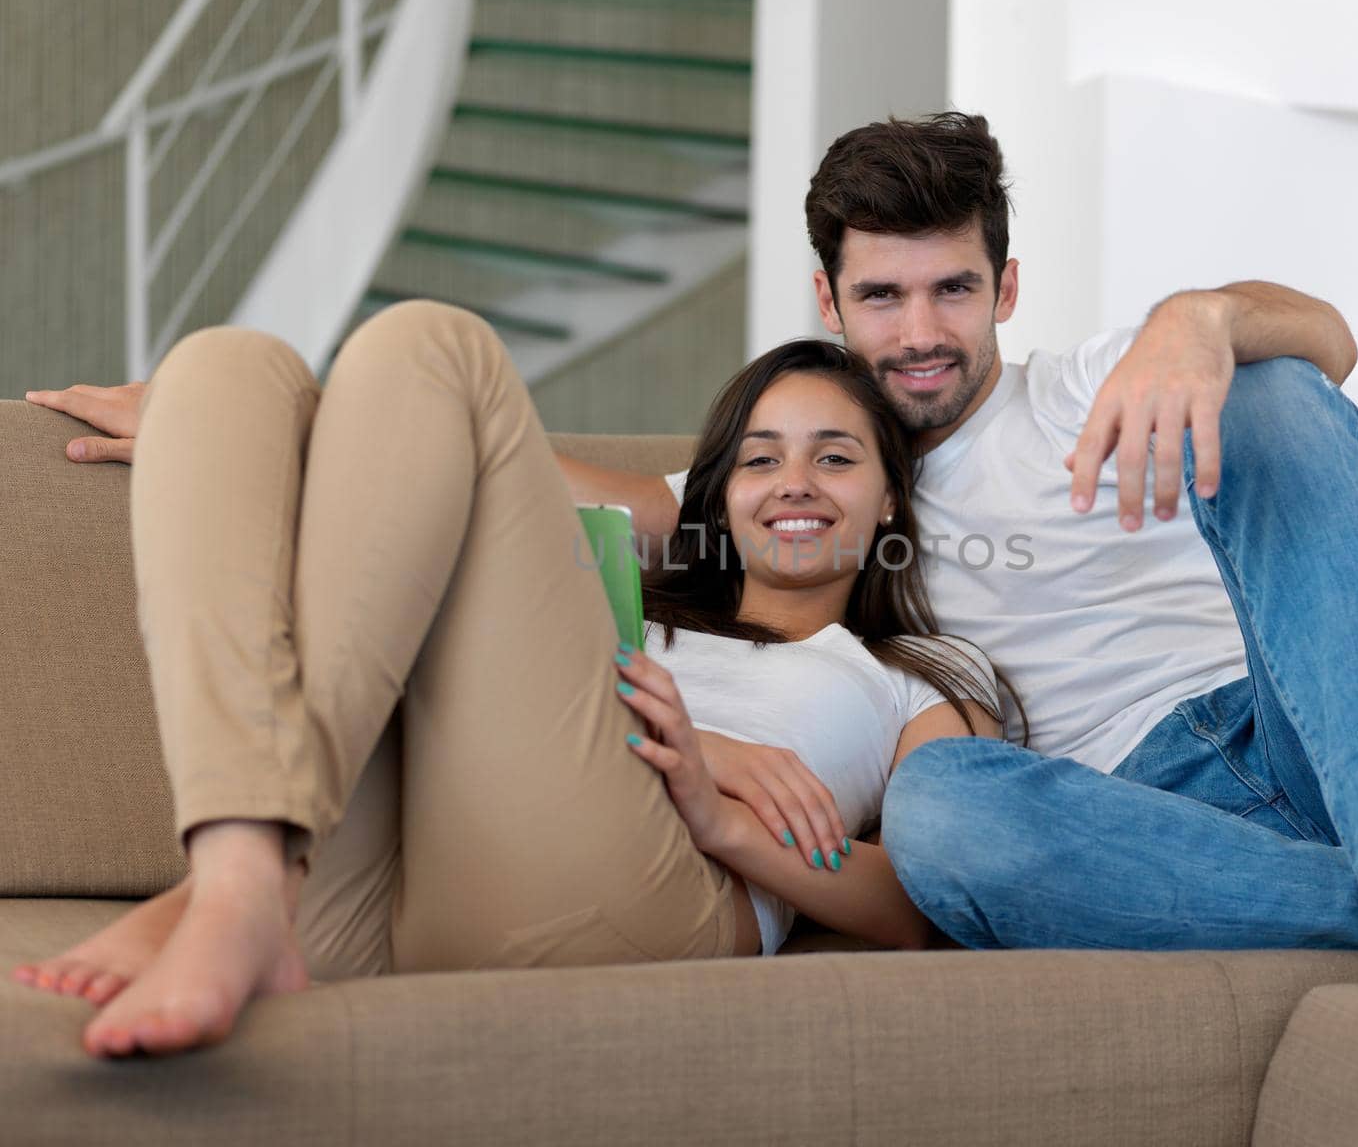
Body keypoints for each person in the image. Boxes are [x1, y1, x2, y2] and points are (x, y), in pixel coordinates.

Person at [561, 111, 1358, 1015]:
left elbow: (1327, 344)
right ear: (828, 304)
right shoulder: (800, 483)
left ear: (1004, 288)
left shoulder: (1091, 382)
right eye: (881, 297)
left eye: (953, 290)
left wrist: (1201, 320)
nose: (921, 333)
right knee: (938, 808)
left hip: (1331, 735)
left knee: (1271, 385)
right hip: (1128, 832)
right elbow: (541, 490)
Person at [12, 306, 1005, 1059]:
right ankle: (245, 876)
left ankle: (219, 891)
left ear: (886, 502)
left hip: (646, 892)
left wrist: (721, 810)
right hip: (396, 885)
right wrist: (228, 433)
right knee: (227, 368)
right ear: (720, 495)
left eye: (834, 458)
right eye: (759, 460)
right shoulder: (626, 602)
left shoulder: (918, 679)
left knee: (430, 344)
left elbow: (929, 903)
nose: (793, 483)